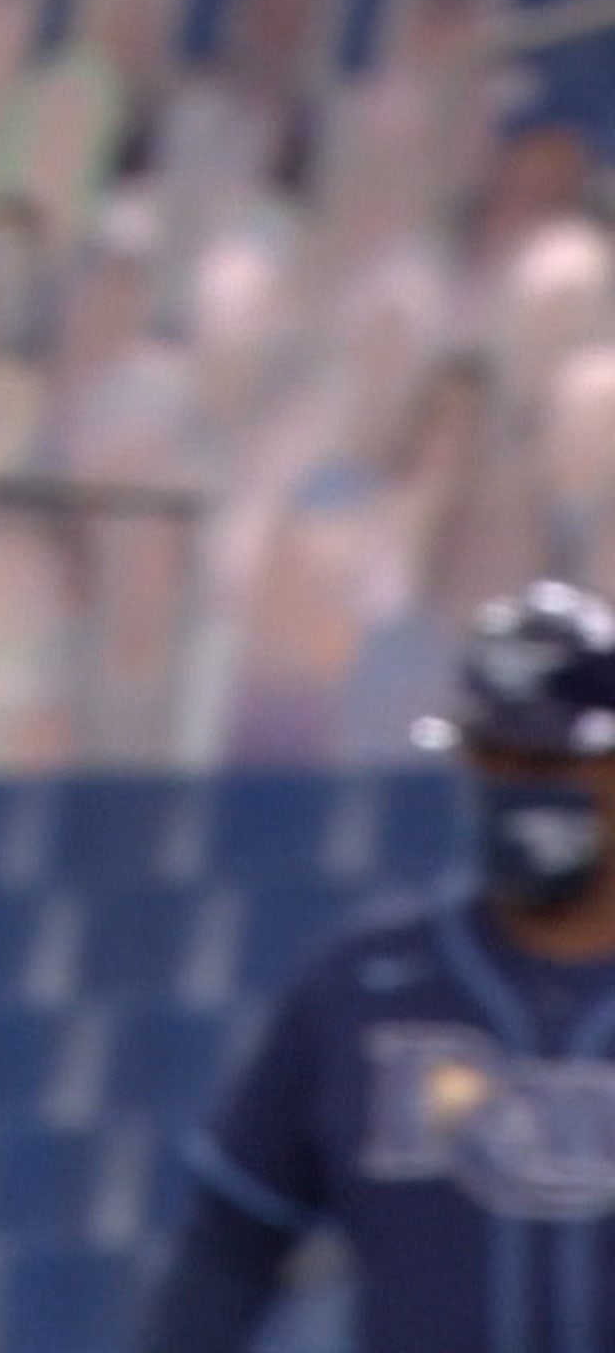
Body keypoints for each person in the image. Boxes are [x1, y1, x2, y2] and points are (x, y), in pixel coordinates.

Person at [139, 577, 615, 1352]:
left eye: (549, 761)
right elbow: (228, 1247)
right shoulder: (364, 987)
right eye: (495, 757)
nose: (518, 787)